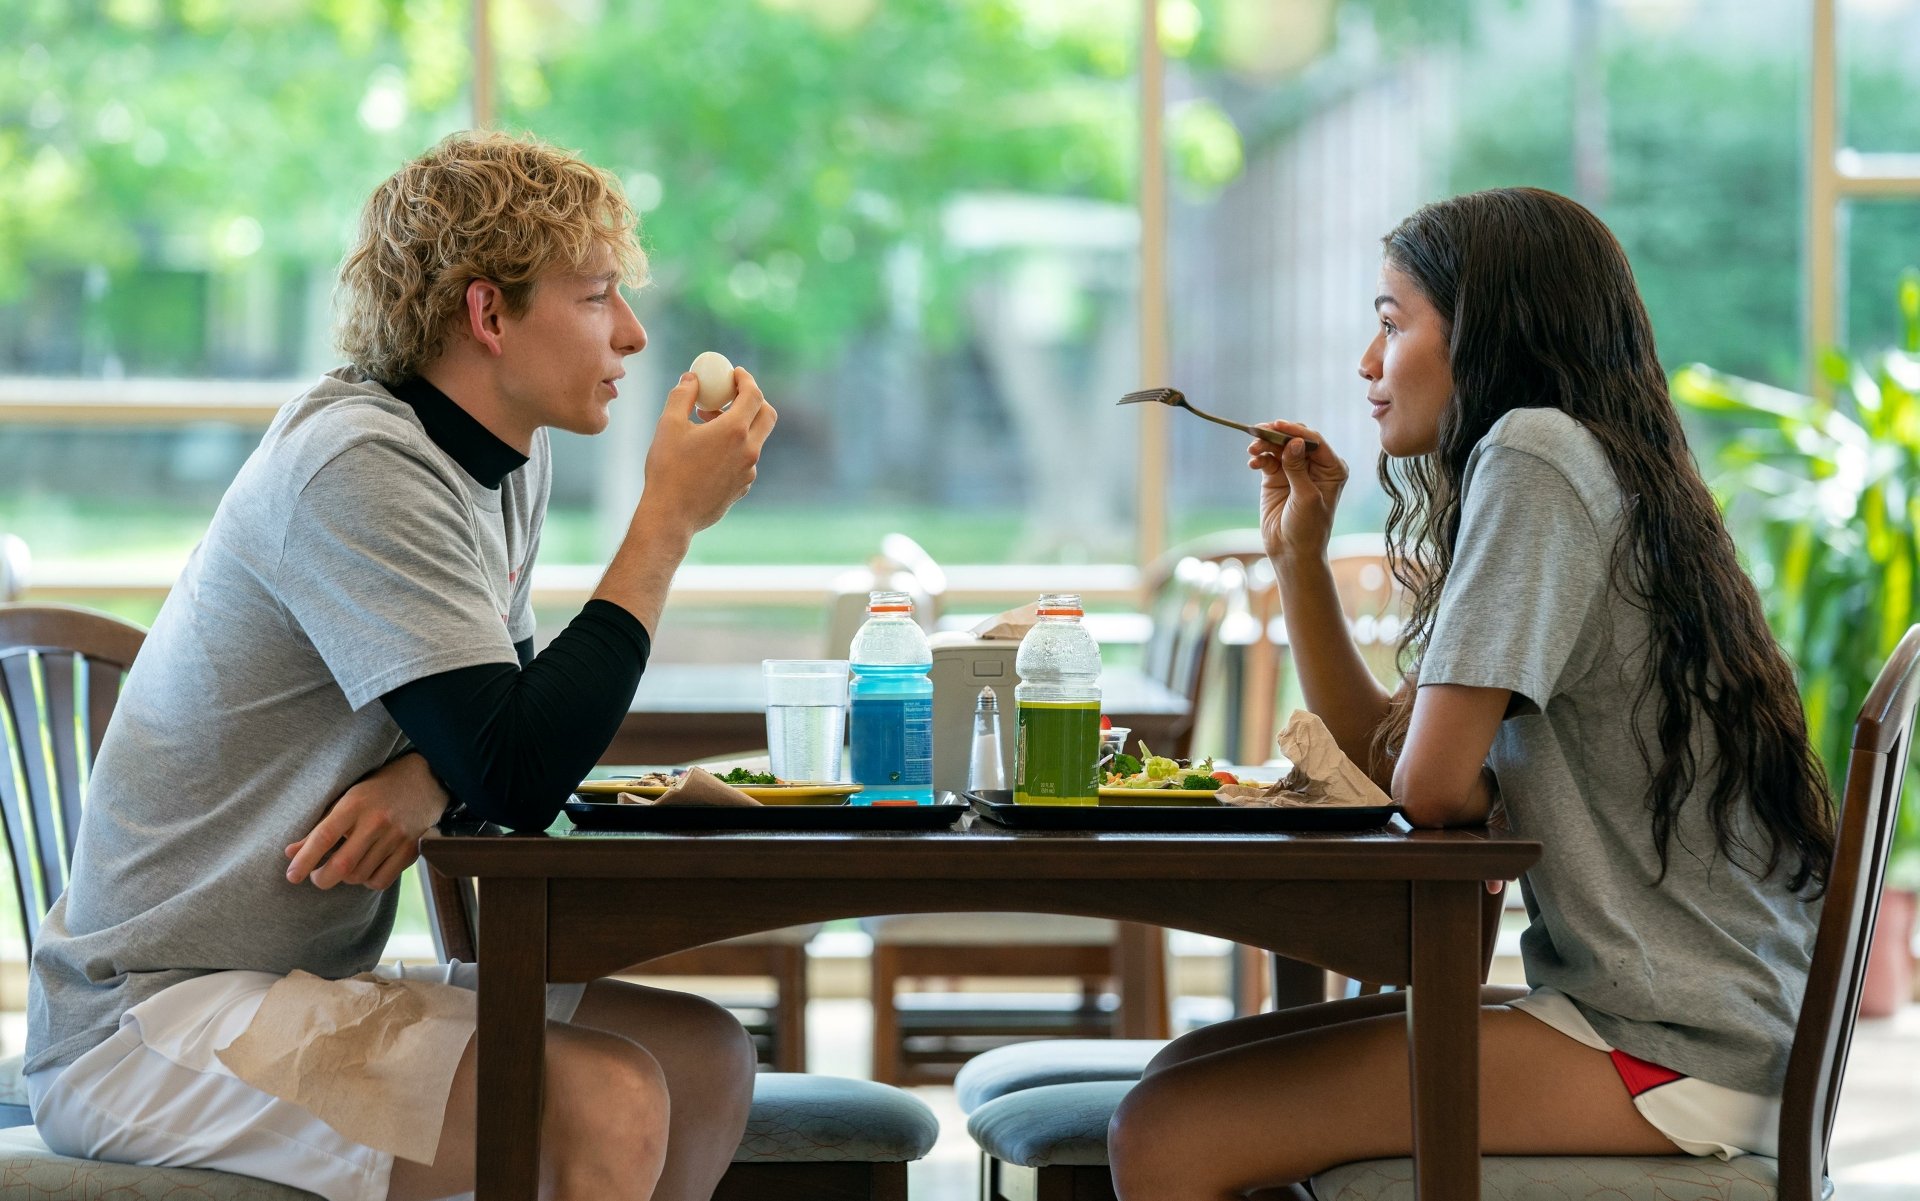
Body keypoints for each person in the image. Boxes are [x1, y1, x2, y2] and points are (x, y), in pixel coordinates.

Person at [26, 131, 777, 1201]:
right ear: (488, 315)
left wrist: (426, 775)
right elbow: (519, 768)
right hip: (153, 1020)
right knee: (605, 1099)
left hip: (295, 980)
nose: (634, 333)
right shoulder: (357, 467)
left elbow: (493, 728)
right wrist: (666, 522)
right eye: (598, 295)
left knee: (707, 1055)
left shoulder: (502, 455)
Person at [1107, 187, 1835, 1199]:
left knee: (1170, 1129)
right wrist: (1300, 560)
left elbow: (1436, 789)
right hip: (1690, 1022)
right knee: (1180, 1074)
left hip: (1680, 1046)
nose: (1367, 364)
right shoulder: (1580, 456)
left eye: (1392, 323)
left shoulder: (1534, 455)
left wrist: (1424, 768)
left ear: (1486, 329)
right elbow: (1396, 763)